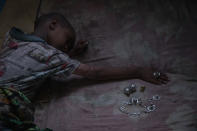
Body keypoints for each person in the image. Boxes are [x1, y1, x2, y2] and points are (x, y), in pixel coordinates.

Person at [0, 12, 169, 131]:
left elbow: (30, 62)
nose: (66, 47)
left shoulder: (12, 36)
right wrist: (138, 71)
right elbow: (94, 72)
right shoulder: (52, 55)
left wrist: (70, 55)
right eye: (68, 41)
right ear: (53, 25)